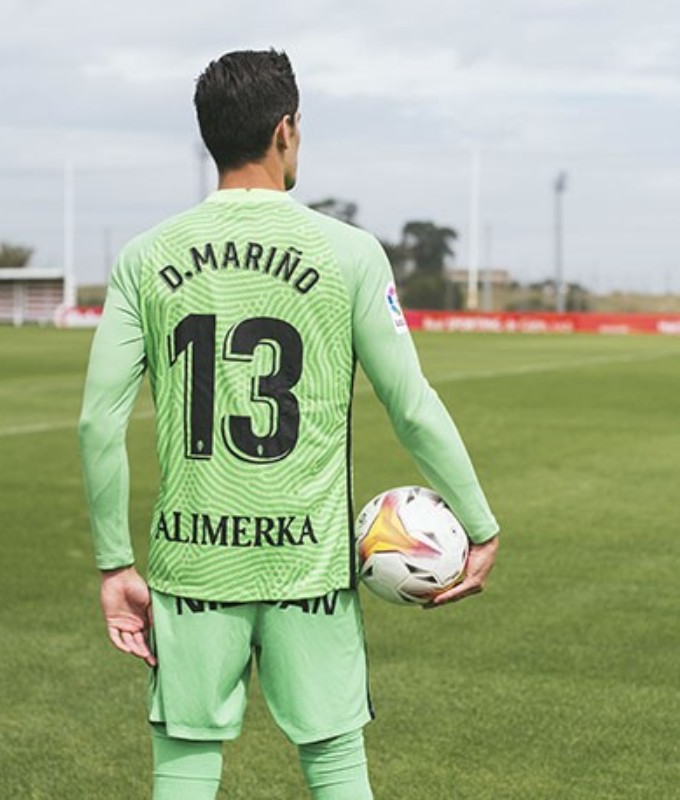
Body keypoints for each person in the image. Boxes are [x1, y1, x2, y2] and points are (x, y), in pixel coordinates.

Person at [78, 48, 499, 800]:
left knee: (185, 771)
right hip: (309, 567)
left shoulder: (145, 259)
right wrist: (479, 522)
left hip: (193, 568)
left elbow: (97, 424)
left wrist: (115, 564)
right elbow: (411, 403)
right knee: (336, 768)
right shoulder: (351, 254)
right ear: (286, 130)